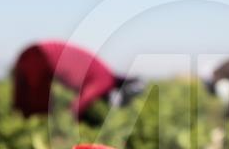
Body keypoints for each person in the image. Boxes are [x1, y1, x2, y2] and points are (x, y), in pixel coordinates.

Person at [11, 41, 141, 122]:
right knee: (34, 110)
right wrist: (69, 121)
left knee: (26, 106)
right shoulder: (105, 80)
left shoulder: (103, 72)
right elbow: (82, 103)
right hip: (39, 57)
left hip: (33, 53)